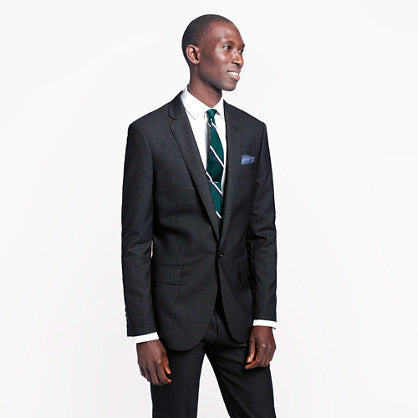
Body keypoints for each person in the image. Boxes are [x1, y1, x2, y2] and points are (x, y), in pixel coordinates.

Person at [121, 14, 277, 417]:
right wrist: (144, 332)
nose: (238, 58)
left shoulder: (253, 132)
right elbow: (136, 241)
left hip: (239, 317)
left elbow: (263, 232)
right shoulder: (149, 133)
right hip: (174, 319)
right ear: (194, 54)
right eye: (228, 48)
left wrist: (265, 318)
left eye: (241, 50)